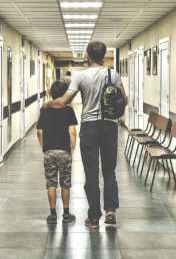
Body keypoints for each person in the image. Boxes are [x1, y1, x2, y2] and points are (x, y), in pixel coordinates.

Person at [45, 41, 127, 229]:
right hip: (109, 126)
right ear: (103, 55)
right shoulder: (112, 74)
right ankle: (111, 212)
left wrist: (48, 104)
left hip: (89, 127)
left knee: (91, 172)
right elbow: (125, 100)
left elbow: (65, 100)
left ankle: (94, 217)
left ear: (88, 56)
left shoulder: (80, 76)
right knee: (109, 170)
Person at [36, 80, 78, 224]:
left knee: (51, 182)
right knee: (65, 183)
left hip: (49, 151)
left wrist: (45, 148)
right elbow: (72, 132)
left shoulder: (45, 110)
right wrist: (71, 149)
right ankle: (66, 214)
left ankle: (53, 214)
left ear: (52, 93)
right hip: (64, 151)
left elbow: (39, 132)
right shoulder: (68, 110)